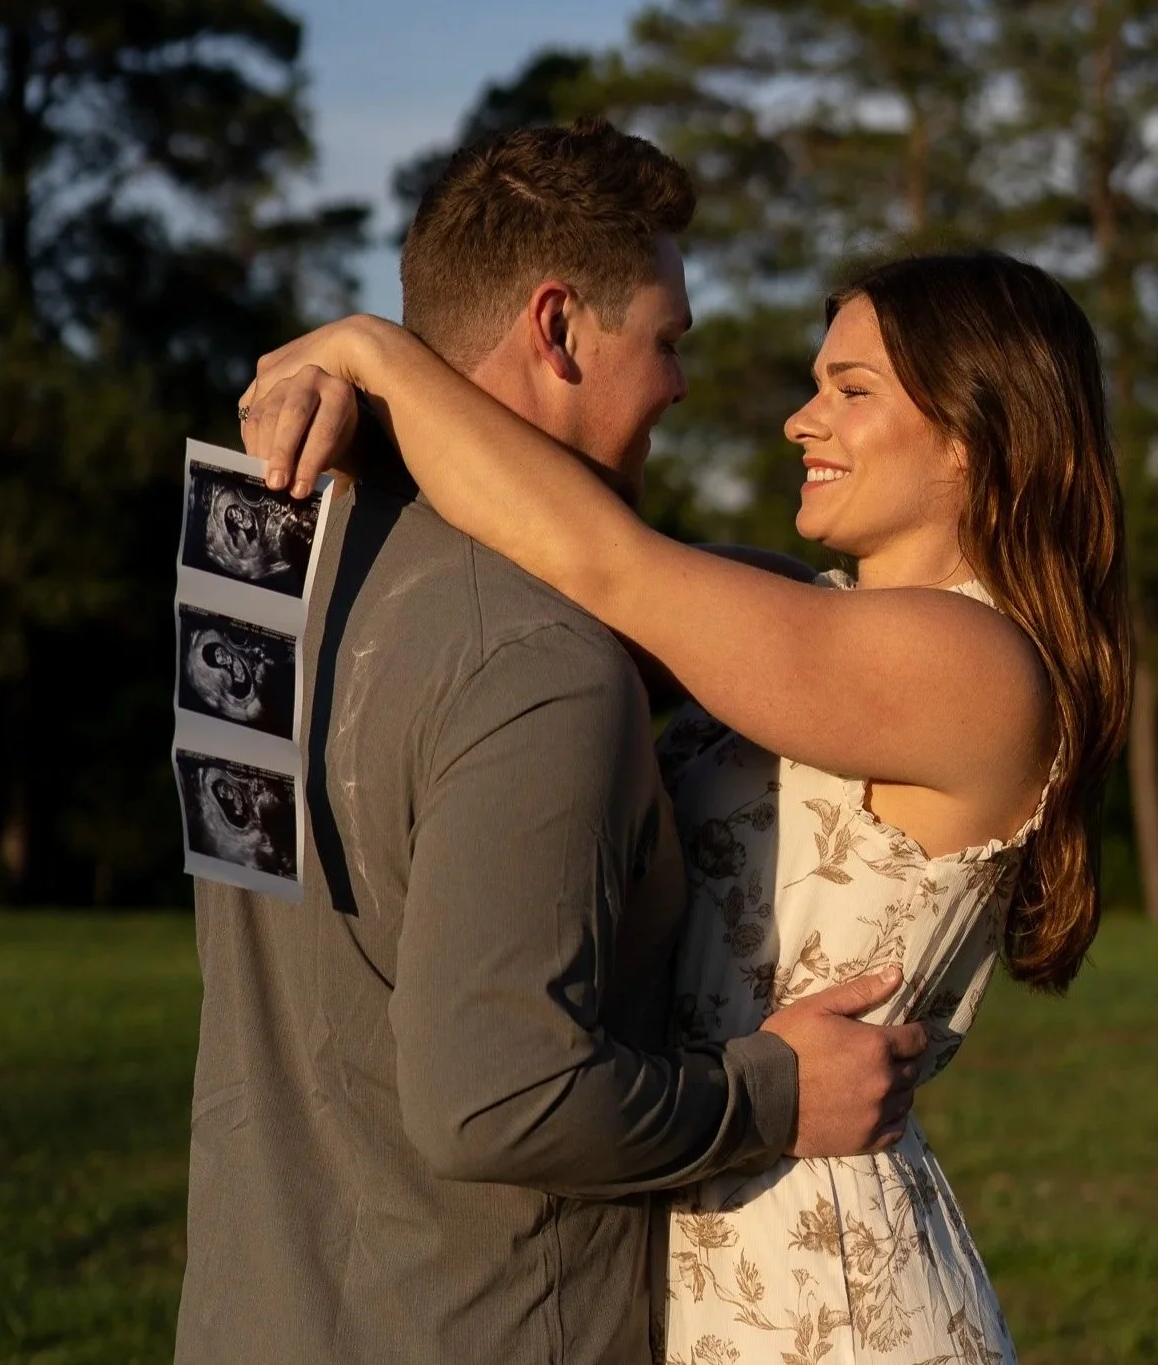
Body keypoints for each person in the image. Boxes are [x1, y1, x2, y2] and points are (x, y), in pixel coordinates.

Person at [240, 247, 1131, 1362]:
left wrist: (375, 351)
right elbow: (525, 565)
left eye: (852, 393)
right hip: (709, 1232)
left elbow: (598, 561)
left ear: (977, 436)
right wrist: (331, 412)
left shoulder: (975, 663)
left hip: (826, 1292)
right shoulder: (808, 615)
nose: (802, 422)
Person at [177, 119, 931, 1365]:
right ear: (557, 326)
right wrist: (777, 1093)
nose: (681, 383)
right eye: (666, 338)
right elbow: (499, 1100)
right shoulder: (545, 664)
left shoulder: (261, 579)